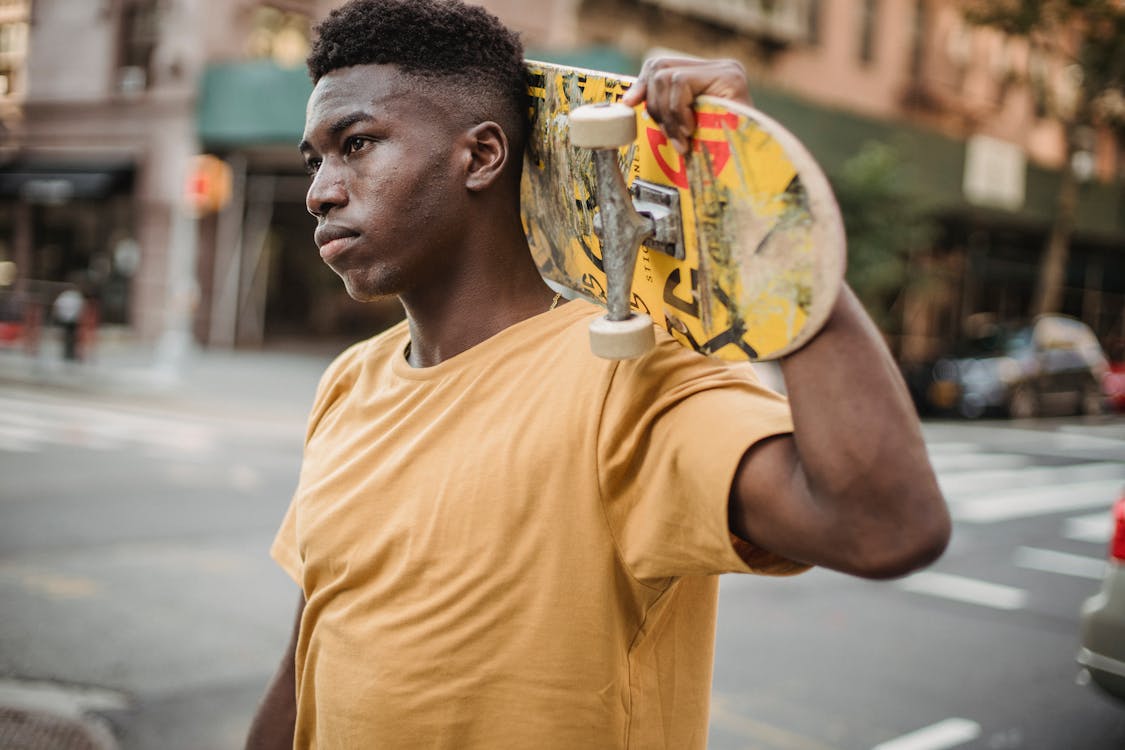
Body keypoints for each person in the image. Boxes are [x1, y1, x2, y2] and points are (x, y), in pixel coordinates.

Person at [246, 1, 951, 748]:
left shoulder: (627, 372)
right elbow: (309, 655)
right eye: (314, 160)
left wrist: (753, 200)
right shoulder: (350, 382)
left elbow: (885, 530)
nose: (320, 191)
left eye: (357, 144)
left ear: (481, 156)